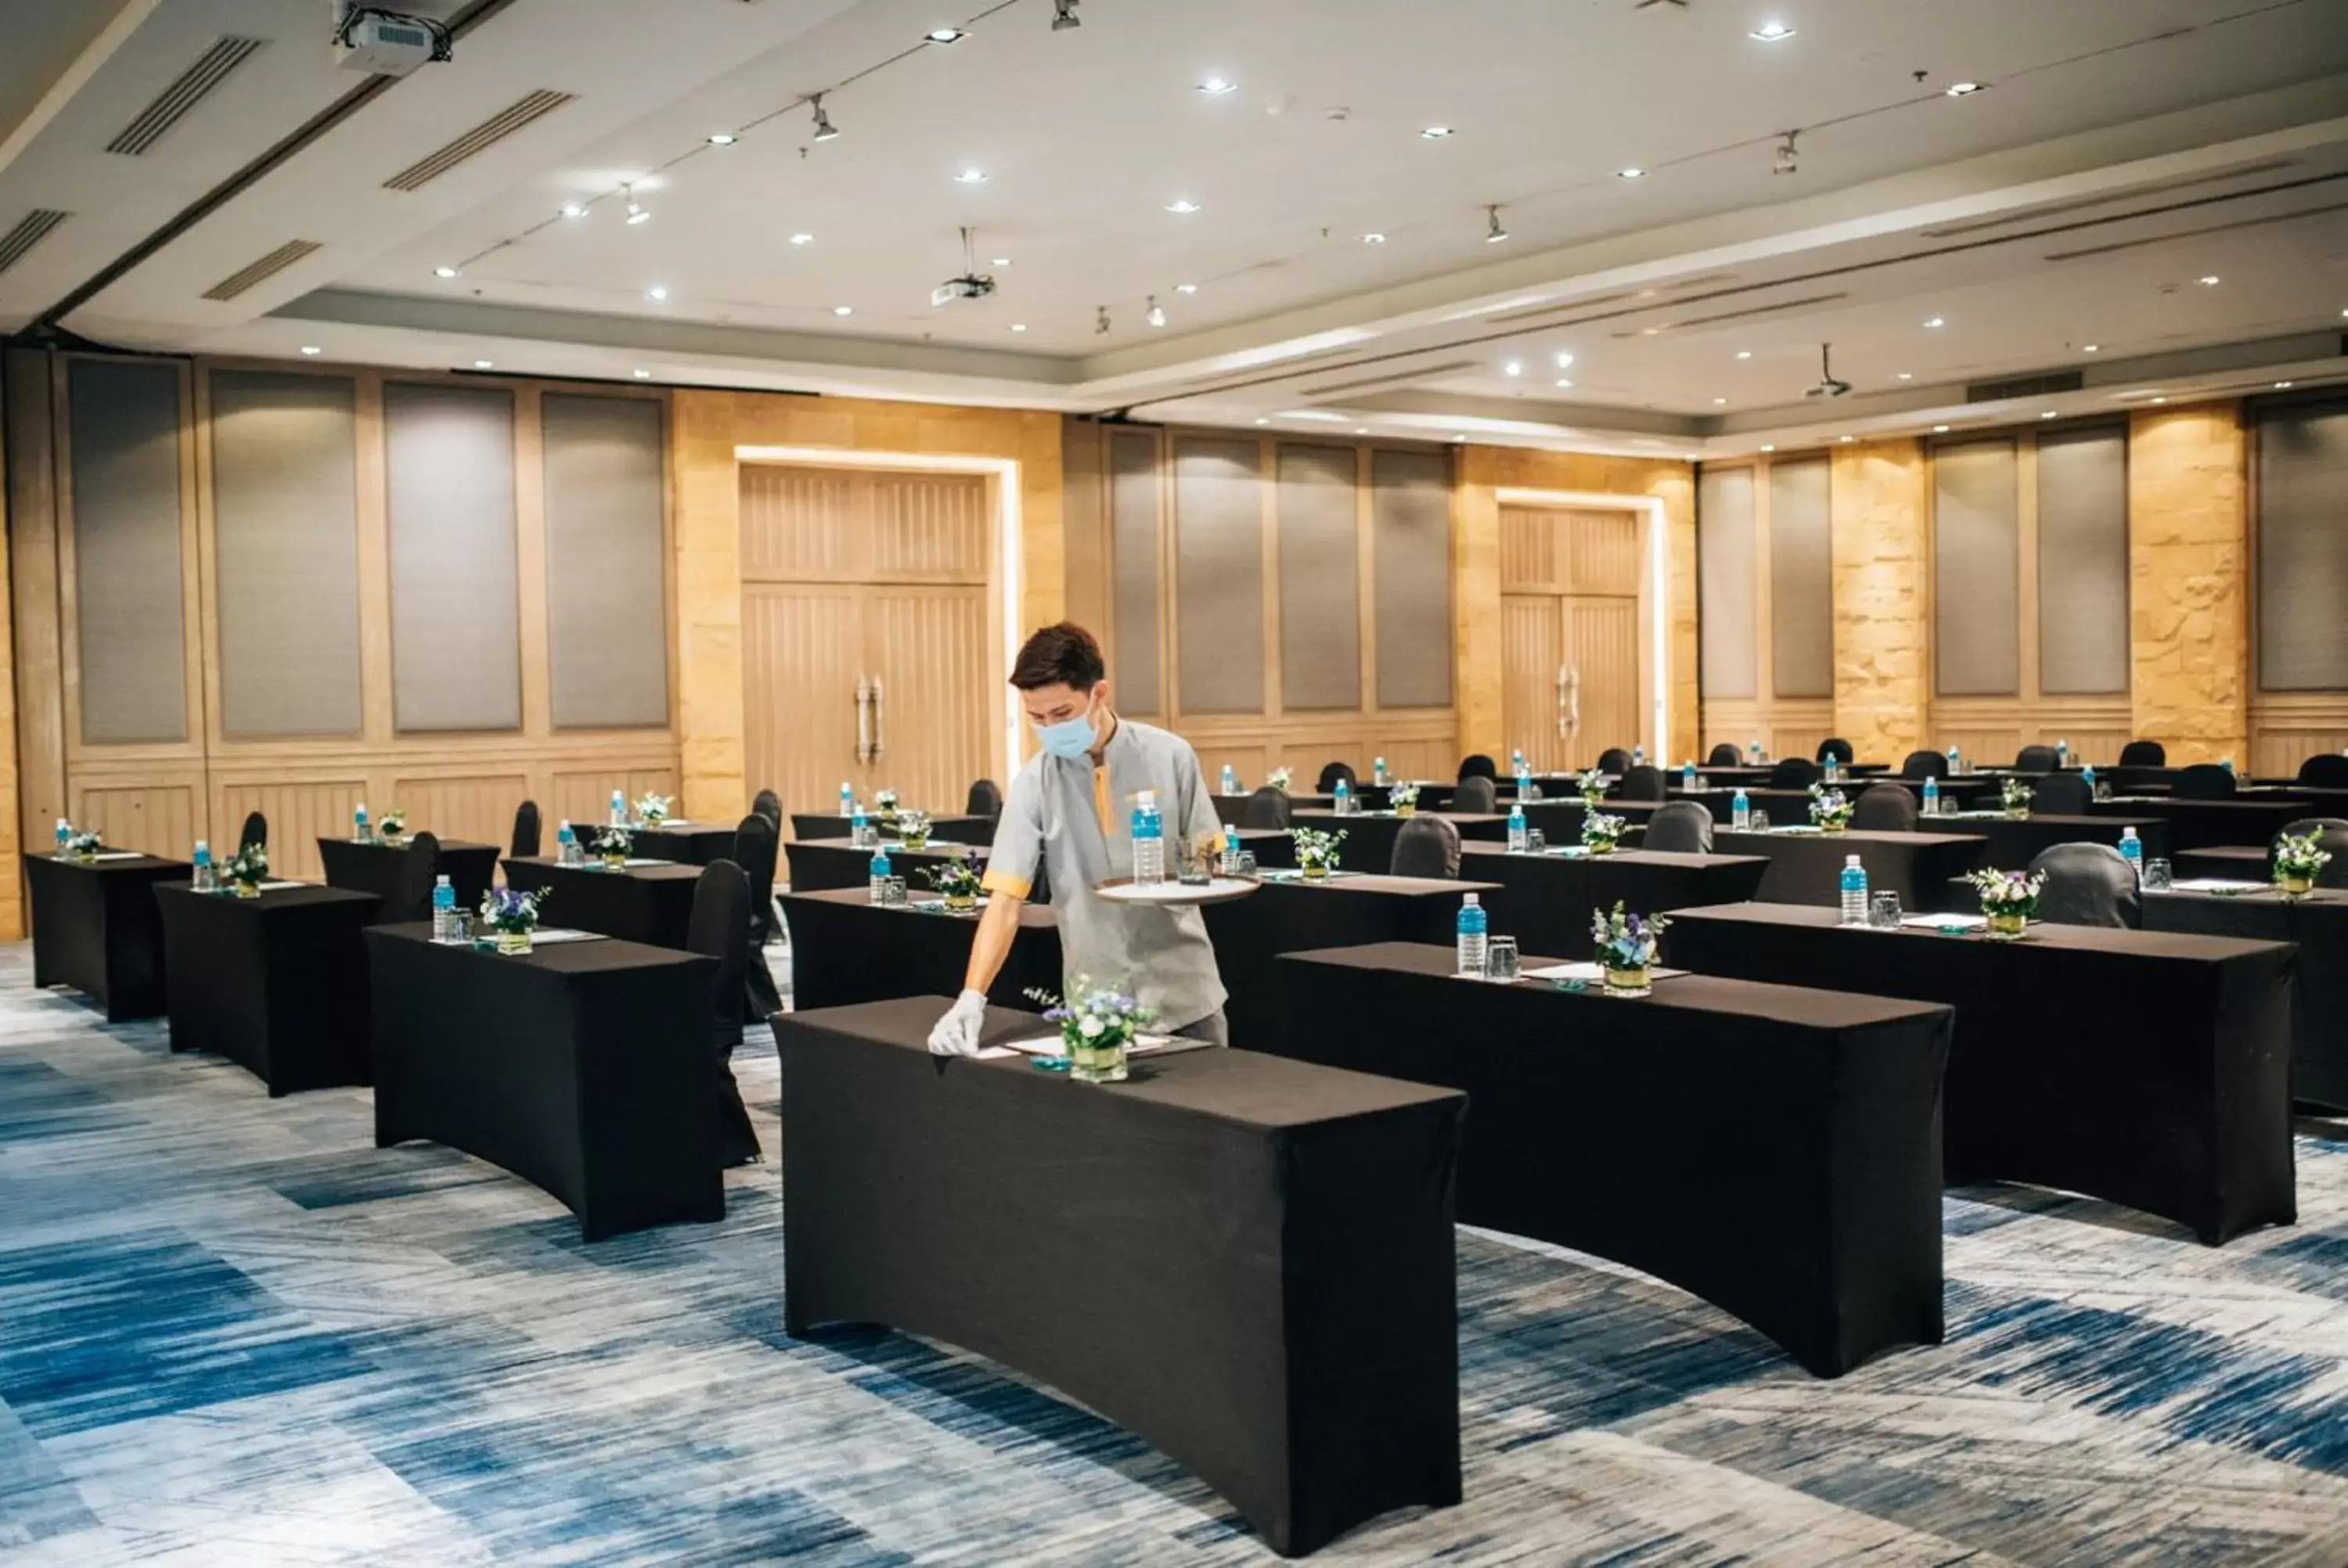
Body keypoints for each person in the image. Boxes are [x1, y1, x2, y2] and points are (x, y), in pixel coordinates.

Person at [928, 622, 1228, 1055]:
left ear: (1098, 694)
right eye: (1037, 718)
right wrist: (972, 996)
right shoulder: (1034, 782)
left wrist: (1196, 873)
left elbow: (1210, 860)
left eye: (1062, 714)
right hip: (1098, 1010)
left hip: (1186, 996)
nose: (1049, 728)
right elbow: (1005, 903)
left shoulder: (1170, 756)